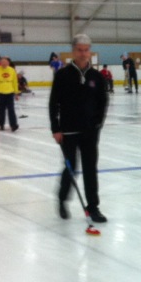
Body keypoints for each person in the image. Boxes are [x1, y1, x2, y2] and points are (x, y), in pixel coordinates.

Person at [49, 34, 109, 223]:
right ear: (74, 51)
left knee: (90, 169)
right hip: (68, 131)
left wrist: (98, 124)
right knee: (71, 168)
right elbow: (53, 103)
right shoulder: (63, 75)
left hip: (90, 131)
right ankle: (62, 199)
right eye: (80, 50)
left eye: (86, 50)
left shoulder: (96, 77)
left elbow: (103, 102)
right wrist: (55, 128)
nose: (83, 54)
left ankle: (93, 207)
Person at [0, 56, 20, 132]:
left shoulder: (12, 70)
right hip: (0, 93)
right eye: (2, 62)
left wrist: (16, 93)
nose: (4, 64)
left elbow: (15, 82)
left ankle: (13, 125)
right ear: (0, 63)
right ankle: (1, 124)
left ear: (8, 63)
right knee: (1, 110)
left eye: (5, 62)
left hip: (10, 93)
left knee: (11, 110)